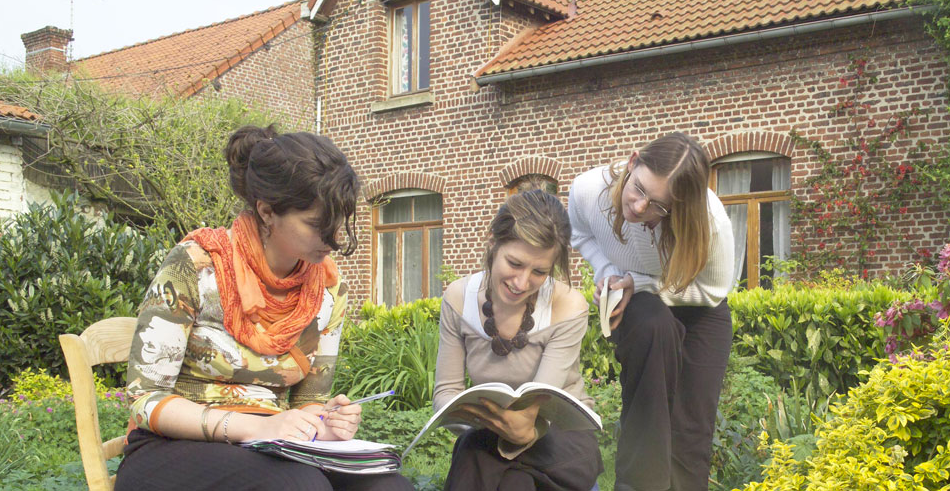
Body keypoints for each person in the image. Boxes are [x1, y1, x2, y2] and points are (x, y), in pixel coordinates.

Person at [116, 125, 413, 491]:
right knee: (299, 486)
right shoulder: (195, 266)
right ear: (267, 211)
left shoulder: (327, 288)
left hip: (270, 445)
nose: (333, 239)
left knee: (388, 487)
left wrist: (327, 422)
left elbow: (309, 401)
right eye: (318, 223)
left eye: (337, 222)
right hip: (170, 446)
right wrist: (257, 427)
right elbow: (144, 399)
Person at [568, 132, 735, 491]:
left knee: (691, 430)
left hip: (699, 307)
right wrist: (609, 273)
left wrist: (641, 282)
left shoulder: (710, 220)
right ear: (632, 162)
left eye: (659, 205)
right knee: (650, 403)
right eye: (639, 189)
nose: (640, 207)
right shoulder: (586, 191)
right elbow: (580, 234)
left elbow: (712, 290)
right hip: (643, 306)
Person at [434, 188, 602, 491]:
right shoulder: (458, 299)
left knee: (476, 454)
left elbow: (537, 404)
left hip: (562, 439)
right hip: (491, 434)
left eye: (539, 271)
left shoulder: (568, 306)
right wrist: (477, 417)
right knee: (513, 480)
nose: (522, 282)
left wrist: (521, 430)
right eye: (514, 263)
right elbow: (446, 392)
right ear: (493, 244)